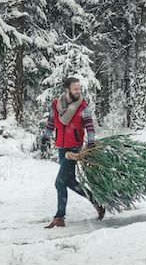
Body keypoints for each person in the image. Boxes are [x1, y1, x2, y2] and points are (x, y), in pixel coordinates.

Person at [41, 77, 104, 228]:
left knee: (59, 182)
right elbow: (51, 123)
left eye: (80, 89)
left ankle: (59, 217)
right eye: (76, 89)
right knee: (70, 181)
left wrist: (91, 143)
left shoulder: (83, 106)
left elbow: (90, 126)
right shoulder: (56, 105)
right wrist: (44, 139)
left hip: (74, 150)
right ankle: (97, 203)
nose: (79, 91)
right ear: (67, 90)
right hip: (61, 149)